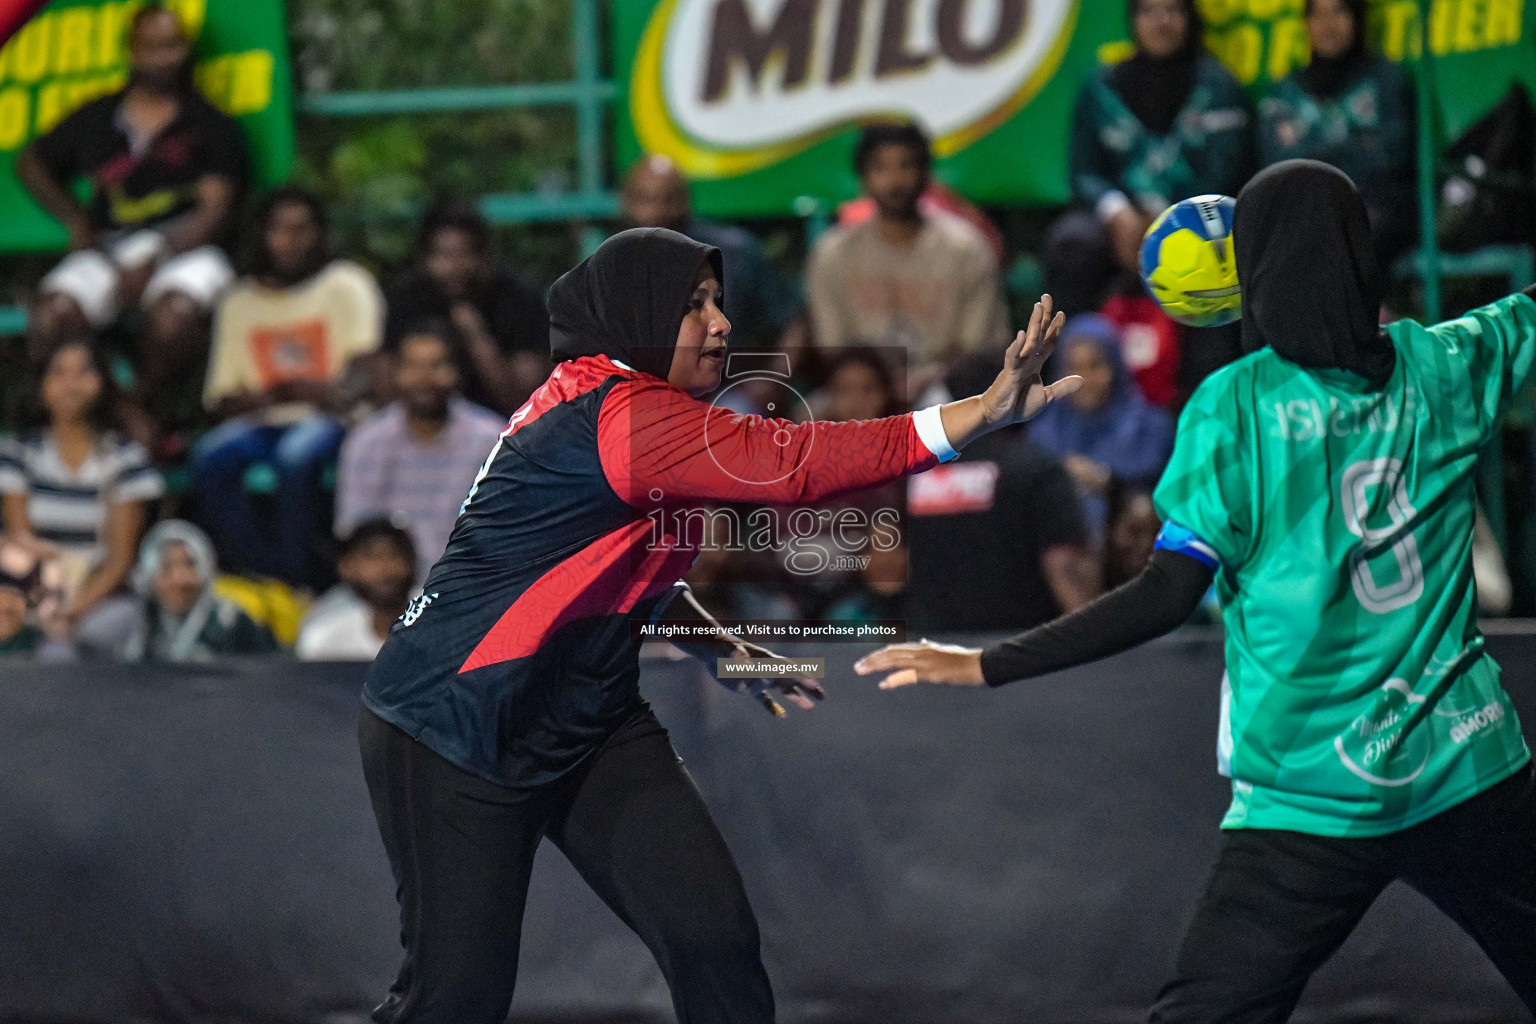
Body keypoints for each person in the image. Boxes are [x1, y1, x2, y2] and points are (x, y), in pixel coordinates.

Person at [856, 161, 1536, 1020]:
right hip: (1466, 762)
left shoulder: (1234, 407)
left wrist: (992, 663)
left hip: (1307, 793)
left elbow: (1168, 593)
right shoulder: (1448, 362)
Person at [356, 226, 1082, 1024]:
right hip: (456, 728)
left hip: (586, 724)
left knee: (714, 945)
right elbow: (794, 467)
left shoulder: (645, 414)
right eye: (693, 306)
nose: (721, 324)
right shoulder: (618, 415)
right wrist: (979, 412)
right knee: (454, 1001)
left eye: (719, 303)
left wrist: (721, 646)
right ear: (635, 316)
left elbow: (623, 570)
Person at [16, 3, 247, 444]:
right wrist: (75, 219)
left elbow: (215, 212)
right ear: (132, 51)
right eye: (153, 47)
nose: (165, 58)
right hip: (108, 246)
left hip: (185, 251)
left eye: (173, 46)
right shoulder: (98, 117)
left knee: (174, 316)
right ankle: (119, 413)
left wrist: (157, 257)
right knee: (52, 314)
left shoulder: (211, 124)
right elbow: (31, 162)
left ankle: (139, 403)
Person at [1047, 0, 1253, 387]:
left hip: (1197, 222)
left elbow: (1228, 173)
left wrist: (1161, 219)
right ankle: (1067, 392)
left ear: (1190, 18)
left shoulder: (1220, 86)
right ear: (1133, 21)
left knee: (1222, 266)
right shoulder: (1102, 85)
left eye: (1172, 10)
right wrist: (1118, 211)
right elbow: (1084, 171)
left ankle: (1202, 404)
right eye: (1148, 11)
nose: (1160, 23)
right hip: (1118, 221)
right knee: (1072, 243)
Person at [194, 186, 383, 585]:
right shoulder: (238, 300)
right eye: (280, 229)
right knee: (211, 457)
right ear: (262, 235)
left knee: (297, 456)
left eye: (302, 229)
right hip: (262, 423)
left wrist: (304, 392)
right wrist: (284, 393)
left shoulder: (346, 284)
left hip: (332, 420)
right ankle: (263, 575)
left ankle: (301, 578)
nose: (290, 240)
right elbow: (222, 397)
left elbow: (361, 375)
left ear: (320, 234)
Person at [907, 352, 1100, 633]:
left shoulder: (917, 474)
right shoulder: (1038, 470)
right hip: (1019, 653)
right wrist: (1096, 648)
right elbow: (1064, 568)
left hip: (926, 649)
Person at [805, 122, 1008, 373]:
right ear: (863, 177)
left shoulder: (965, 249)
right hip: (862, 394)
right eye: (880, 168)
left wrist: (923, 382)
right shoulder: (832, 254)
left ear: (925, 174)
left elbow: (979, 349)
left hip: (949, 391)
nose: (894, 181)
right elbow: (832, 348)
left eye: (906, 165)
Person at [0, 340, 163, 648]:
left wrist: (71, 611)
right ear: (42, 384)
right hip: (32, 593)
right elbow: (22, 544)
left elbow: (119, 561)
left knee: (97, 635)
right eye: (59, 374)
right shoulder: (17, 456)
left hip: (104, 600)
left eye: (83, 373)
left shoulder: (125, 460)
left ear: (101, 382)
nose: (70, 386)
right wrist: (47, 608)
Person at [335, 321, 506, 586]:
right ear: (396, 372)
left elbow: (504, 532)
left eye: (437, 365)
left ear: (457, 371)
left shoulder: (492, 440)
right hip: (387, 593)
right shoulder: (366, 443)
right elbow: (355, 537)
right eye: (414, 366)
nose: (425, 378)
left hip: (470, 588)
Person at [1258, 0, 1416, 269]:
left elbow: (1389, 155)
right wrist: (1352, 145)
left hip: (1369, 206)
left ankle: (1363, 310)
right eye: (1318, 14)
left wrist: (1313, 150)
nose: (1328, 25)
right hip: (1304, 208)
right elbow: (1277, 164)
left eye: (1339, 11)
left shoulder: (1385, 78)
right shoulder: (1283, 92)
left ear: (1357, 18)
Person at [383, 201, 550, 415]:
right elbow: (387, 384)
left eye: (463, 254)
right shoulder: (407, 296)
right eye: (442, 255)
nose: (453, 267)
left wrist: (476, 335)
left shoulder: (518, 296)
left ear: (484, 257)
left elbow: (526, 399)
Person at [621, 155, 794, 349]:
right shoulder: (611, 266)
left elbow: (793, 320)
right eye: (644, 199)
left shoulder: (733, 252)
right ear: (625, 201)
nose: (655, 212)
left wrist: (772, 376)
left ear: (686, 201)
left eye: (669, 199)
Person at [1028, 314, 1175, 532]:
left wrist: (1107, 483)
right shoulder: (1041, 436)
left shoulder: (1151, 429)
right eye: (1073, 367)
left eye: (1095, 365)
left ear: (1115, 366)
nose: (1082, 379)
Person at [121, 519, 276, 662]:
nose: (180, 580)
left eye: (190, 565)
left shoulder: (232, 623)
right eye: (166, 568)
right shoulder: (139, 626)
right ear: (148, 577)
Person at [297, 518, 416, 662]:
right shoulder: (322, 635)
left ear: (412, 563)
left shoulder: (445, 624)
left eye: (394, 554)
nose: (384, 568)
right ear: (346, 567)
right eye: (371, 557)